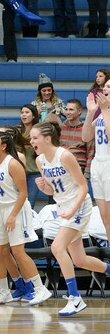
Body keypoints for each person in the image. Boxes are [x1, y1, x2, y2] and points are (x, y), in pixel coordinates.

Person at [32, 121, 110, 316]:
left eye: (35, 137)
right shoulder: (40, 160)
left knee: (57, 247)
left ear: (47, 138)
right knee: (79, 259)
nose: (31, 141)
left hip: (79, 206)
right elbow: (52, 189)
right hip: (64, 208)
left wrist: (72, 209)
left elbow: (83, 187)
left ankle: (75, 298)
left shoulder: (65, 156)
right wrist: (44, 188)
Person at [0, 130, 52, 305]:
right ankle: (4, 291)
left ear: (3, 146)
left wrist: (13, 215)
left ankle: (40, 289)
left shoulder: (13, 164)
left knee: (18, 252)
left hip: (14, 209)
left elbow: (24, 193)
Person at [83, 86, 110, 248]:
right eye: (105, 86)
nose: (105, 88)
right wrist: (91, 112)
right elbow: (86, 137)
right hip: (97, 163)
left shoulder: (106, 112)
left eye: (109, 86)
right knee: (104, 217)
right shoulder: (102, 113)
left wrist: (105, 109)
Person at [61, 99, 93, 180]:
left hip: (79, 168)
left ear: (79, 111)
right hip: (61, 168)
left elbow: (90, 154)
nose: (67, 112)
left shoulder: (86, 129)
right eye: (66, 109)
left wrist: (86, 176)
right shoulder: (60, 128)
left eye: (71, 109)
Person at [19, 103, 42, 206]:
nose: (23, 115)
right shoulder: (17, 130)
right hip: (19, 172)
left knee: (29, 204)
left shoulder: (39, 131)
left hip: (34, 172)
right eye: (22, 112)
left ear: (33, 116)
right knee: (17, 202)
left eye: (27, 112)